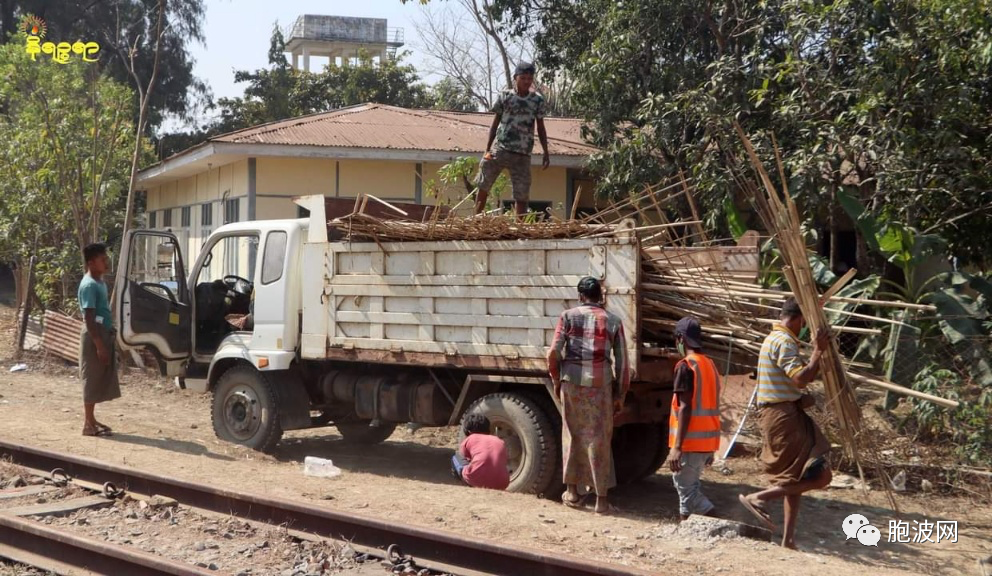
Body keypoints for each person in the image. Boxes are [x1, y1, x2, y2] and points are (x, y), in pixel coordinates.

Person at [738, 297, 832, 549]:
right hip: (783, 416)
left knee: (795, 478)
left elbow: (790, 384)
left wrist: (799, 398)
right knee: (822, 475)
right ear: (800, 319)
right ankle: (759, 497)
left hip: (783, 412)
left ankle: (788, 539)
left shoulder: (772, 339)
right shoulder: (784, 341)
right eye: (804, 324)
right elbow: (800, 378)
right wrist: (817, 351)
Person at [547, 276, 630, 514]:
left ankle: (572, 492)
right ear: (600, 296)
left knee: (571, 435)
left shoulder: (568, 316)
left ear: (580, 295)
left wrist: (557, 379)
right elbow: (622, 363)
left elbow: (553, 353)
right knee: (599, 440)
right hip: (600, 385)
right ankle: (601, 502)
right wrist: (620, 394)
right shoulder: (613, 320)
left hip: (571, 382)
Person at [474, 61, 550, 216]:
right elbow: (495, 124)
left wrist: (546, 151)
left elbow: (541, 127)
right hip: (501, 149)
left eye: (529, 79)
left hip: (522, 154)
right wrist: (487, 149)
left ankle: (519, 228)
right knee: (484, 182)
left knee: (522, 194)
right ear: (516, 78)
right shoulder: (505, 97)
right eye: (523, 78)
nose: (526, 82)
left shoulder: (537, 100)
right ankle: (475, 217)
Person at [667, 316, 721, 521]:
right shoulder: (710, 366)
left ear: (681, 339)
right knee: (689, 490)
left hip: (689, 443)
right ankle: (687, 530)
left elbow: (685, 407)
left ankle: (718, 524)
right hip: (707, 442)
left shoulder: (686, 366)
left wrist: (677, 447)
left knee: (687, 493)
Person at [78, 243, 121, 437]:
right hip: (94, 335)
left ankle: (92, 419)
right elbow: (89, 317)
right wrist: (99, 346)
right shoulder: (89, 285)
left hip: (103, 332)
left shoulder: (100, 282)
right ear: (91, 263)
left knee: (98, 378)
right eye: (102, 259)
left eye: (106, 258)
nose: (106, 262)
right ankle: (87, 424)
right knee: (91, 378)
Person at [452, 413, 510, 490]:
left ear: (468, 431)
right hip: (503, 483)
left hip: (477, 481)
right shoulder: (499, 441)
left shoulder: (469, 439)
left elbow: (465, 458)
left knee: (456, 457)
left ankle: (465, 487)